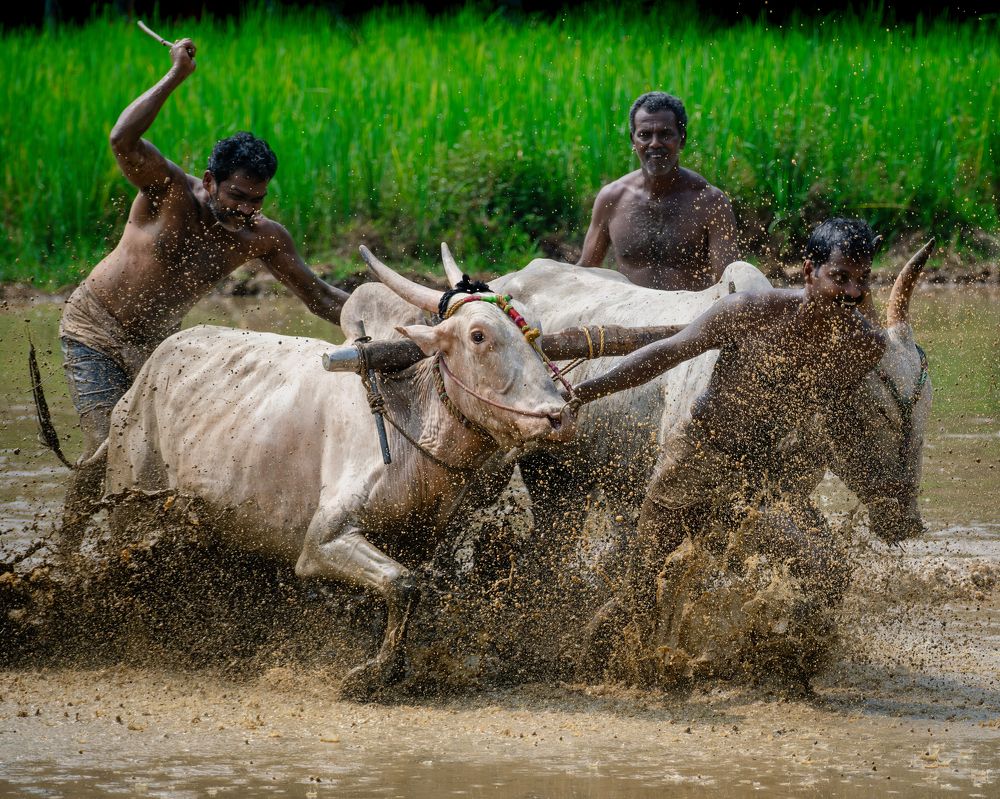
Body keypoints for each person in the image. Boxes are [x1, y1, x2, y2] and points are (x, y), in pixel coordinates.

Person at [570, 219, 929, 670]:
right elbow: (668, 352)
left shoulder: (862, 346)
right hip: (696, 460)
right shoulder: (751, 311)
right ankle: (591, 674)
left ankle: (779, 669)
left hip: (764, 478)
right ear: (809, 271)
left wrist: (882, 493)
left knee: (828, 572)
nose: (853, 293)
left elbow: (838, 428)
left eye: (863, 280)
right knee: (642, 593)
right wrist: (582, 394)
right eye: (840, 277)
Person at [59, 37, 348, 465]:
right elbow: (123, 139)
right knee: (109, 451)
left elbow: (320, 296)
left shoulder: (262, 237)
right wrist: (176, 74)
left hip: (158, 349)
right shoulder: (170, 191)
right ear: (210, 181)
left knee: (168, 459)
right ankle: (75, 512)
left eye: (257, 200)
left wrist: (399, 318)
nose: (246, 209)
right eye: (237, 196)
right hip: (96, 329)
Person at [576, 91, 739, 290]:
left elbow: (729, 283)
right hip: (628, 308)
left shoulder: (709, 202)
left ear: (682, 139)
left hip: (690, 309)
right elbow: (586, 271)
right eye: (644, 135)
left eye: (665, 134)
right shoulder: (612, 198)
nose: (654, 143)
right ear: (633, 141)